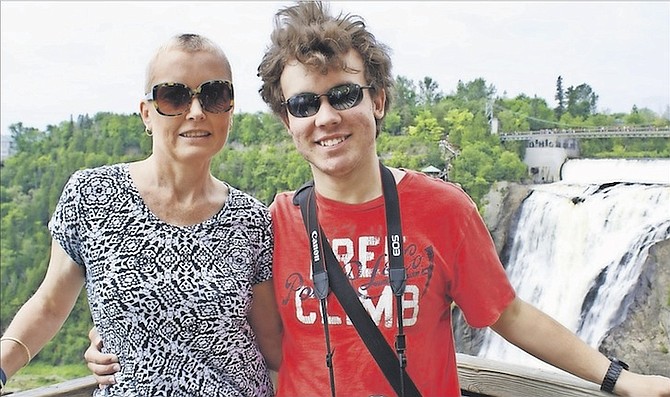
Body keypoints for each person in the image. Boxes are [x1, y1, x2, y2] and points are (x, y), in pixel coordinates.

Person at [84, 2, 670, 396]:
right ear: (287, 121)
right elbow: (210, 316)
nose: (326, 118)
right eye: (304, 105)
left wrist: (620, 380)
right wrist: (113, 340)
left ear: (378, 100)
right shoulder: (275, 222)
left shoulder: (443, 209)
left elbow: (510, 314)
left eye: (343, 94)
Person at [0, 33, 282, 396]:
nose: (196, 112)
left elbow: (272, 343)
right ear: (146, 113)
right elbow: (50, 306)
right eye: (174, 96)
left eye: (214, 95)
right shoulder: (92, 195)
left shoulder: (253, 220)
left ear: (230, 109)